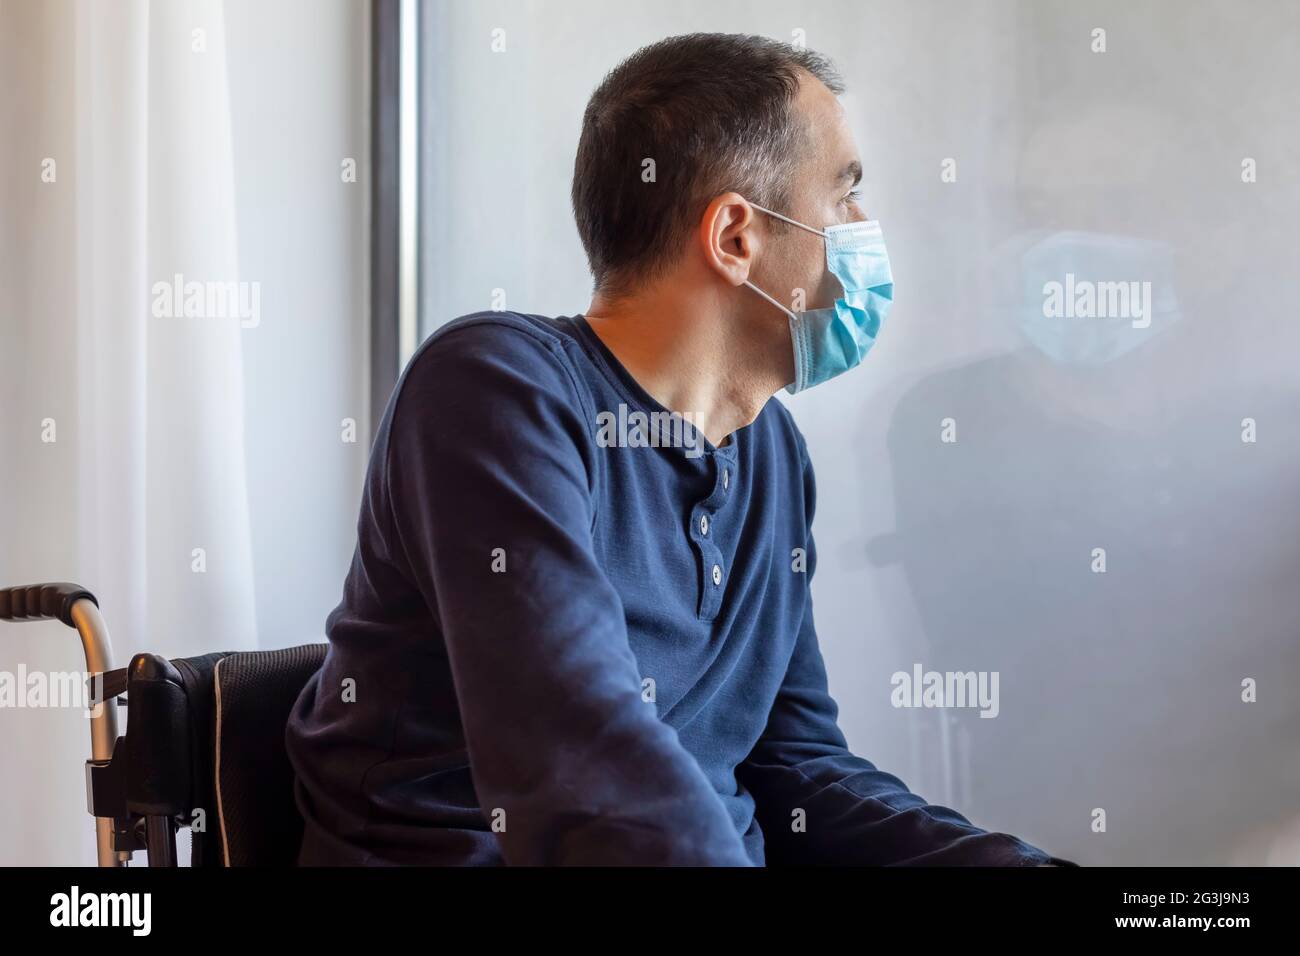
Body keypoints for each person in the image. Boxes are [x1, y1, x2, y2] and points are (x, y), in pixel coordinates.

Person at [284, 32, 1076, 867]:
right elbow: (577, 761)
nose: (864, 229)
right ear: (736, 236)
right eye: (843, 197)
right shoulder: (495, 391)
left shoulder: (769, 450)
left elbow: (794, 769)